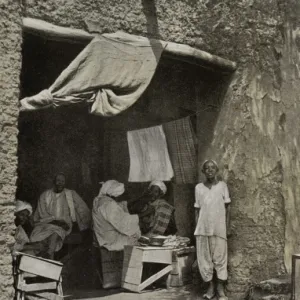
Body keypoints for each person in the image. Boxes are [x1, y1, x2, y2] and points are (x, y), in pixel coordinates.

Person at [30, 173, 91, 259]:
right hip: (45, 223)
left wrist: (85, 224)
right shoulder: (45, 195)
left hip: (64, 224)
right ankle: (46, 256)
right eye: (58, 180)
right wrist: (54, 221)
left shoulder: (70, 194)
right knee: (41, 237)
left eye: (62, 181)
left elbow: (82, 208)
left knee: (55, 232)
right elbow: (42, 212)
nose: (60, 183)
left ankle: (49, 255)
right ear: (54, 182)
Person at [194, 160, 231, 300]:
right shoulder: (198, 188)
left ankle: (220, 288)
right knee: (204, 259)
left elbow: (228, 207)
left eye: (212, 168)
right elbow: (196, 209)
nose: (209, 170)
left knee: (220, 257)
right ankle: (210, 287)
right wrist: (196, 227)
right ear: (203, 171)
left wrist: (227, 226)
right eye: (206, 168)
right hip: (203, 229)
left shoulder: (222, 186)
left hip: (219, 228)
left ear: (217, 170)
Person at [92, 180, 141, 251]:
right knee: (135, 238)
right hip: (111, 241)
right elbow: (124, 223)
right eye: (121, 195)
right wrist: (140, 216)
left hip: (102, 237)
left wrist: (138, 199)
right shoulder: (109, 205)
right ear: (116, 195)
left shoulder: (100, 200)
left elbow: (121, 204)